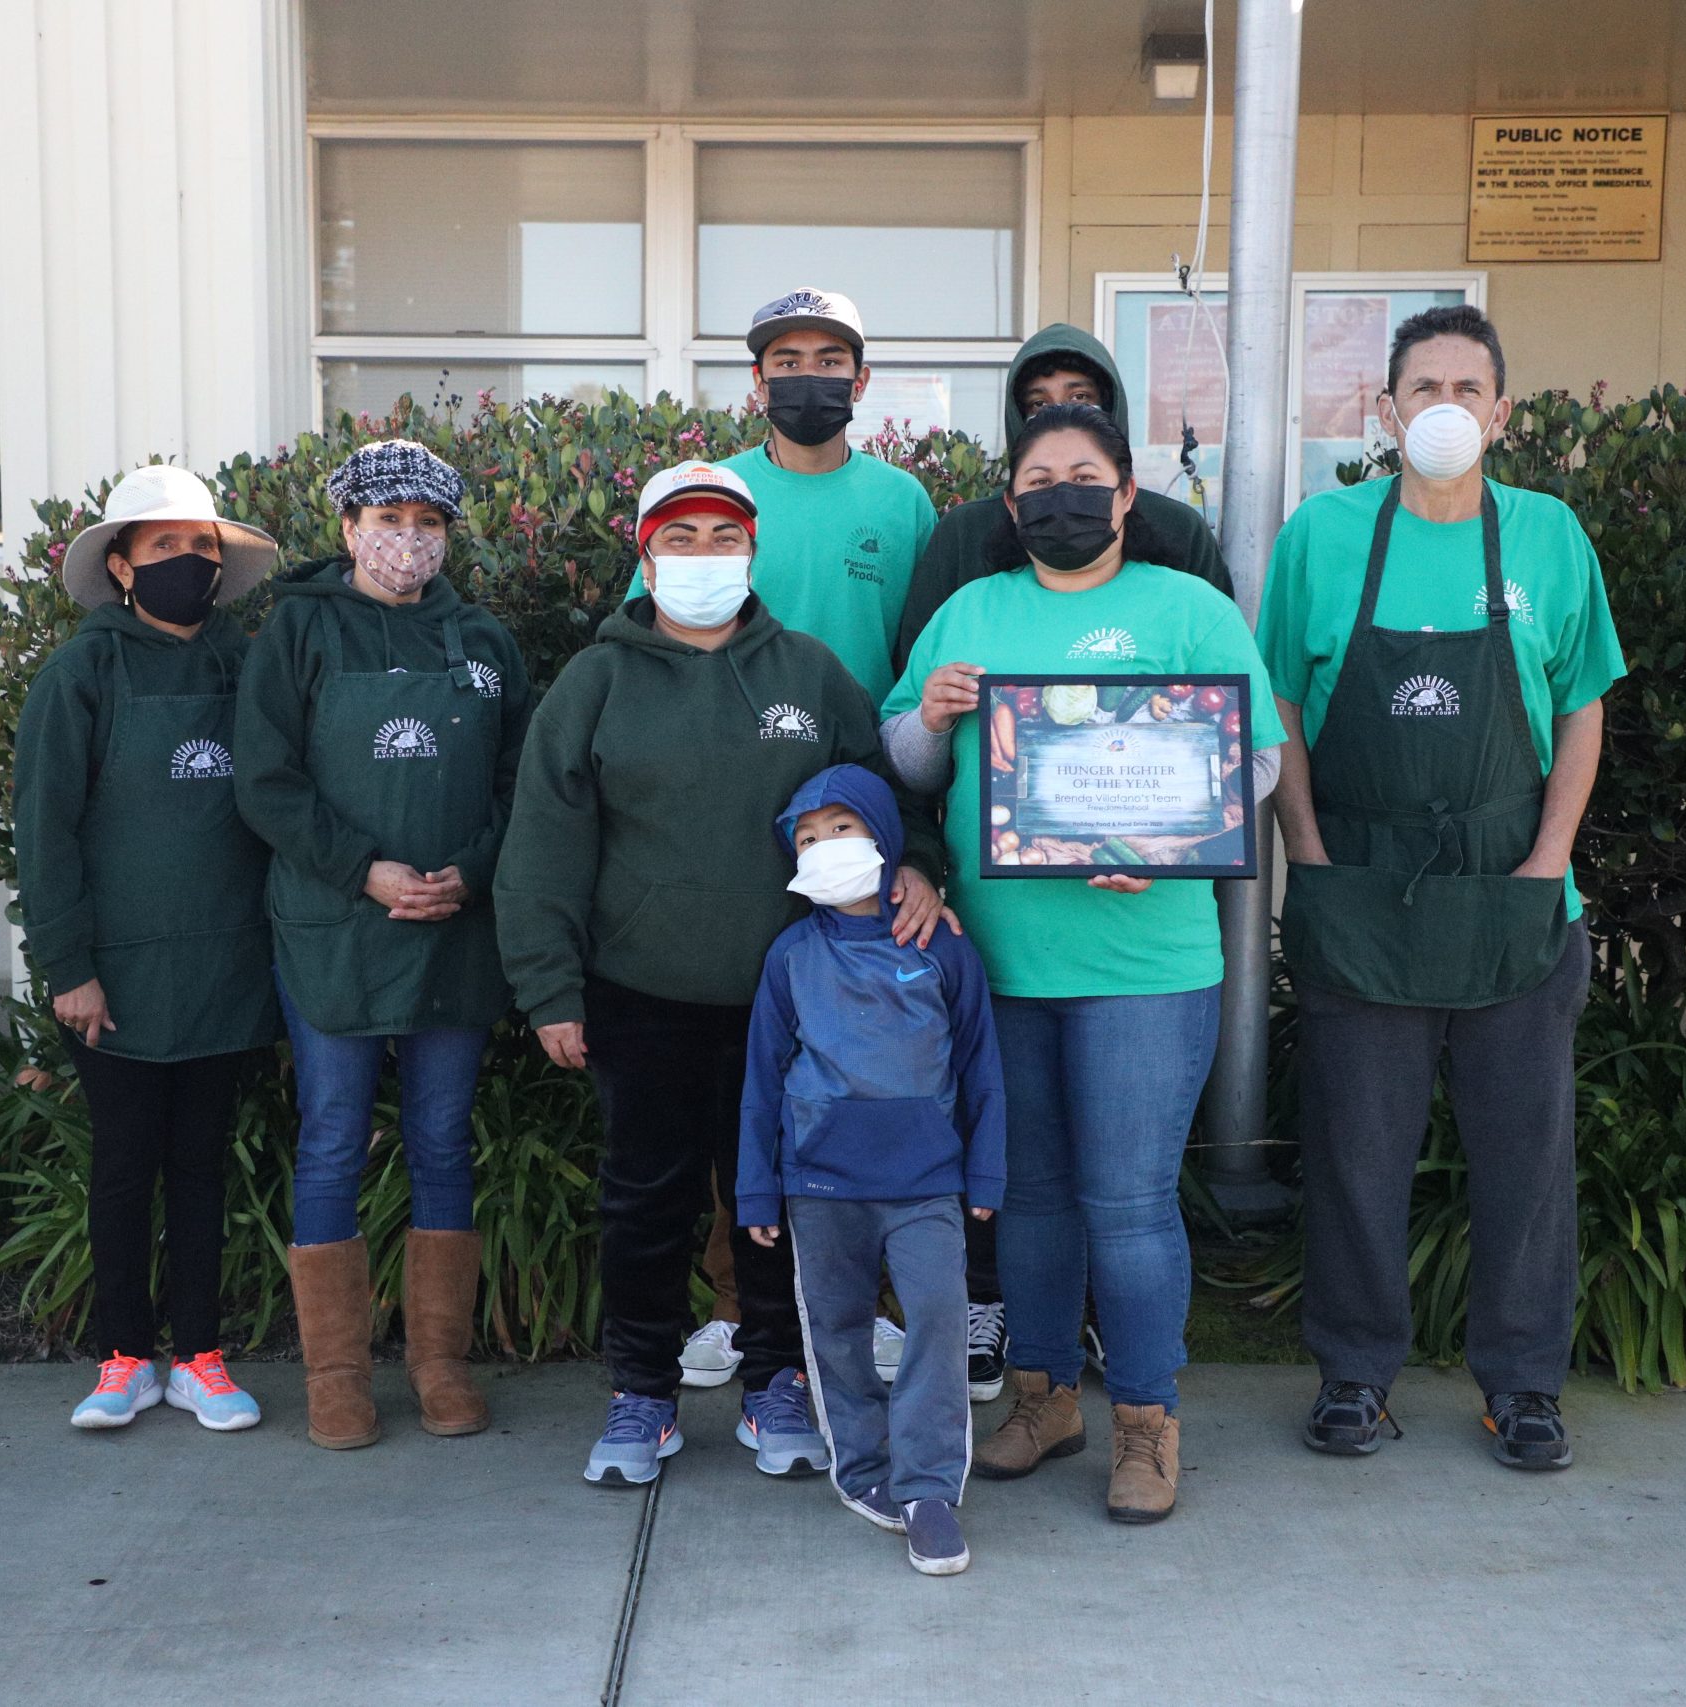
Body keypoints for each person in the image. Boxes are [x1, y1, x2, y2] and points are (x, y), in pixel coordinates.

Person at [495, 459, 951, 1486]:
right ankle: (641, 1395)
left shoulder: (807, 671)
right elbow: (543, 845)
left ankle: (775, 1382)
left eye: (722, 537)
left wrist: (919, 864)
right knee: (644, 1200)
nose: (703, 556)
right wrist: (549, 990)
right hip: (639, 991)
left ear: (751, 550)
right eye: (680, 538)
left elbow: (884, 795)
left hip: (792, 994)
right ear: (645, 554)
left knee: (781, 1196)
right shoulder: (595, 683)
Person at [883, 404, 1286, 1524]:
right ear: (1012, 506)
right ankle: (1043, 1397)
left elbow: (1256, 758)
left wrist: (1166, 841)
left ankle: (1147, 1424)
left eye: (1085, 475)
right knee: (1032, 1201)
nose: (1061, 494)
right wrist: (929, 710)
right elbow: (907, 762)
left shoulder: (1186, 607)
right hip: (1005, 962)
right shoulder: (972, 609)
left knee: (1129, 1203)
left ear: (1122, 499)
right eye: (1038, 478)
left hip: (1145, 965)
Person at [1258, 304, 1625, 1471]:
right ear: (1386, 410)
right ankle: (1354, 1375)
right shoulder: (1320, 536)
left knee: (1526, 1157)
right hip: (1359, 892)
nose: (1446, 410)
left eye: (1470, 389)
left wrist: (1546, 864)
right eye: (1424, 388)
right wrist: (1306, 853)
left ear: (1501, 413)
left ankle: (1523, 1387)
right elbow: (1277, 710)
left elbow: (1581, 709)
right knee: (1356, 1153)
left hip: (1515, 899)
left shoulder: (1551, 537)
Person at [235, 440, 533, 1448]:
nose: (407, 540)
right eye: (389, 520)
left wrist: (473, 871)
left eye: (428, 523)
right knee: (330, 1142)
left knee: (444, 1142)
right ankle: (336, 1376)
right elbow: (266, 781)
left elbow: (518, 786)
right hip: (336, 930)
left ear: (448, 536)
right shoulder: (298, 632)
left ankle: (440, 1366)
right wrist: (363, 869)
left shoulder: (485, 641)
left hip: (455, 930)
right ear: (349, 528)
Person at [15, 464, 282, 1434]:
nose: (188, 562)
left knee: (203, 1165)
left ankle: (202, 1357)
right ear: (121, 567)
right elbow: (44, 831)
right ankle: (125, 1355)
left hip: (224, 968)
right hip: (117, 977)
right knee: (125, 1167)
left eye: (202, 546)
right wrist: (68, 967)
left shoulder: (245, 664)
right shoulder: (81, 673)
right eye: (164, 546)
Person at [737, 763, 1006, 1577]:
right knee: (838, 1334)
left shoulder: (941, 947)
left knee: (935, 1319)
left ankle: (927, 1489)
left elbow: (982, 1067)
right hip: (819, 1186)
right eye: (807, 837)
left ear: (885, 837)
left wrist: (985, 1174)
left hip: (927, 1180)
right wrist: (759, 1184)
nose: (823, 847)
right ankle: (861, 1470)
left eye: (841, 829)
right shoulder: (789, 956)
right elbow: (761, 1077)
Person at [629, 287, 935, 705]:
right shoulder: (711, 492)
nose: (808, 376)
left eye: (829, 361)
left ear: (859, 382)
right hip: (734, 743)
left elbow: (925, 648)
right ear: (760, 383)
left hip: (864, 752)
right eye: (788, 362)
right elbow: (644, 632)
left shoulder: (904, 501)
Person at [892, 321, 1234, 667]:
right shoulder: (966, 532)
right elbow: (916, 669)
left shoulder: (1177, 529)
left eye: (1081, 398)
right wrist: (931, 716)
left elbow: (1221, 670)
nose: (1059, 413)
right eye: (1039, 403)